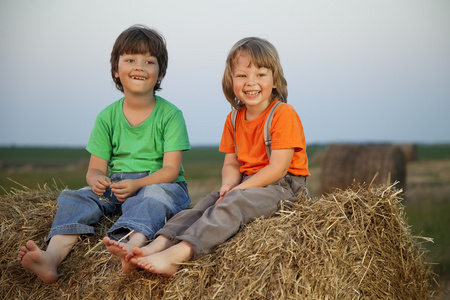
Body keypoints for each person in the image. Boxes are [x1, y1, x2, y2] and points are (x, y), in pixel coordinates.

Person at [17, 25, 191, 283]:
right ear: (115, 71)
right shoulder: (106, 117)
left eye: (149, 61)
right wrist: (97, 180)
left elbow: (171, 170)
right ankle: (51, 257)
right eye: (130, 59)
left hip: (160, 183)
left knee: (151, 198)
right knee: (75, 198)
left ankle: (134, 246)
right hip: (118, 183)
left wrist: (138, 184)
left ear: (160, 73)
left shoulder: (170, 115)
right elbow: (95, 169)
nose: (139, 66)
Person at [124, 37, 310, 277]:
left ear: (274, 80)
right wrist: (228, 185)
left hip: (284, 188)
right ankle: (156, 246)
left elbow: (278, 168)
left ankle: (180, 254)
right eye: (242, 75)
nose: (251, 82)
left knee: (233, 204)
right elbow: (231, 163)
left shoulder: (282, 113)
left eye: (260, 75)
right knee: (207, 202)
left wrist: (237, 192)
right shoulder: (233, 119)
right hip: (248, 181)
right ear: (230, 80)